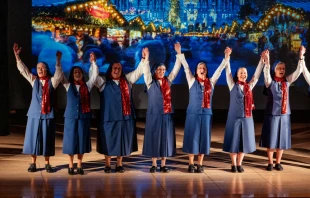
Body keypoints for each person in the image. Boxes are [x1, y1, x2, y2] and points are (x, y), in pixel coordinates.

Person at [179, 46, 232, 173]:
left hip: (206, 114)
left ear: (206, 70)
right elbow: (186, 67)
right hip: (193, 114)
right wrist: (180, 53)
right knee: (192, 138)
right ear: (196, 71)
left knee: (203, 139)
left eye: (204, 68)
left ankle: (200, 164)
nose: (202, 70)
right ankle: (191, 163)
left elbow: (219, 71)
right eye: (199, 68)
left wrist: (226, 58)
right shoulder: (192, 81)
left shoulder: (211, 82)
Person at [95, 48, 149, 173]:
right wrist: (93, 63)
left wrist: (144, 58)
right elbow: (94, 76)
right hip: (108, 118)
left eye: (119, 68)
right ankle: (107, 164)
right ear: (110, 69)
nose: (117, 70)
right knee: (108, 141)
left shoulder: (127, 81)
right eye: (114, 68)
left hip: (125, 118)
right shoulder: (103, 82)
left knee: (121, 142)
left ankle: (119, 164)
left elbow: (139, 71)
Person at [13, 43, 63, 173]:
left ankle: (47, 163)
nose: (40, 70)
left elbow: (58, 75)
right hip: (34, 114)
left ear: (46, 69)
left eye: (42, 68)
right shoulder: (33, 80)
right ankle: (33, 163)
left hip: (48, 114)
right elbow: (23, 70)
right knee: (33, 138)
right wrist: (17, 57)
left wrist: (58, 61)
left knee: (47, 138)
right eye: (38, 68)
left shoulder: (52, 81)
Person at [259, 46, 305, 171]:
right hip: (272, 114)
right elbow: (266, 73)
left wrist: (301, 57)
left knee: (281, 139)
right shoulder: (270, 82)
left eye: (283, 69)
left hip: (284, 115)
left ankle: (278, 162)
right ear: (275, 70)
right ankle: (270, 162)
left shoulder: (287, 81)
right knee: (272, 139)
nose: (282, 70)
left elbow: (298, 71)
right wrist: (267, 61)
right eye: (279, 68)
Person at [223, 50, 265, 173]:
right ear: (237, 74)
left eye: (245, 73)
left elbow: (256, 76)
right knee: (233, 141)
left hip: (247, 118)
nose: (243, 75)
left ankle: (240, 164)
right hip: (234, 118)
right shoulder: (232, 84)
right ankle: (233, 164)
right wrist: (227, 58)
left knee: (243, 141)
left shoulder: (249, 86)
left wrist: (261, 62)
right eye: (241, 73)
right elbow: (227, 71)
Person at [142, 43, 182, 173]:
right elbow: (146, 70)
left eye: (164, 70)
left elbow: (176, 69)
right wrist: (146, 57)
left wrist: (178, 53)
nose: (162, 72)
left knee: (165, 139)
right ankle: (154, 164)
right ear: (155, 71)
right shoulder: (149, 82)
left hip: (166, 114)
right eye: (159, 70)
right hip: (154, 115)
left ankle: (163, 165)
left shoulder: (168, 81)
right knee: (154, 138)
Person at [61, 52, 98, 175]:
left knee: (82, 140)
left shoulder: (87, 86)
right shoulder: (67, 85)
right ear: (72, 74)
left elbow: (94, 76)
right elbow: (59, 75)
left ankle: (80, 164)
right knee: (71, 140)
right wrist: (58, 61)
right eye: (75, 72)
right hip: (71, 117)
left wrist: (93, 62)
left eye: (79, 72)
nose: (77, 74)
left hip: (84, 117)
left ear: (82, 75)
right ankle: (71, 164)